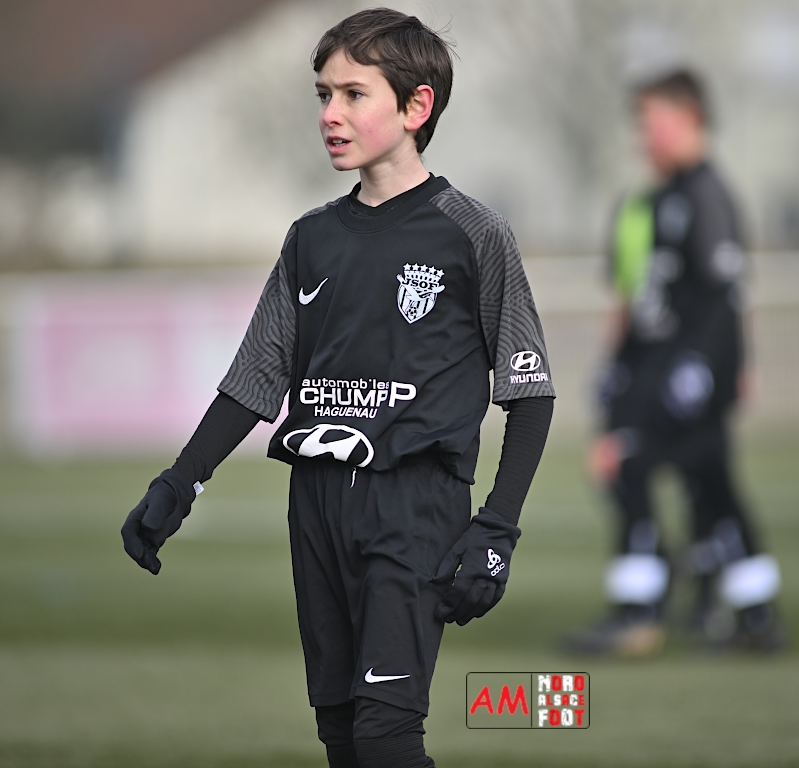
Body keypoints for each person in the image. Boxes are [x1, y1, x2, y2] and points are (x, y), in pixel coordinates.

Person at [120, 9, 555, 768]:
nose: (330, 114)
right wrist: (179, 481)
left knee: (387, 739)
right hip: (316, 504)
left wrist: (496, 530)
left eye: (354, 94)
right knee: (346, 741)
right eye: (323, 95)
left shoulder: (472, 233)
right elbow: (256, 378)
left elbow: (531, 390)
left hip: (413, 506)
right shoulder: (311, 238)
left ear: (416, 106)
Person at [562, 69, 784, 657]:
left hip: (683, 373)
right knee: (709, 483)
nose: (642, 136)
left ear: (688, 118)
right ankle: (753, 614)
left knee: (629, 463)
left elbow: (725, 298)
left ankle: (641, 609)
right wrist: (615, 364)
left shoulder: (708, 197)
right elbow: (635, 295)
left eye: (650, 122)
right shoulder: (650, 203)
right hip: (652, 366)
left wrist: (711, 369)